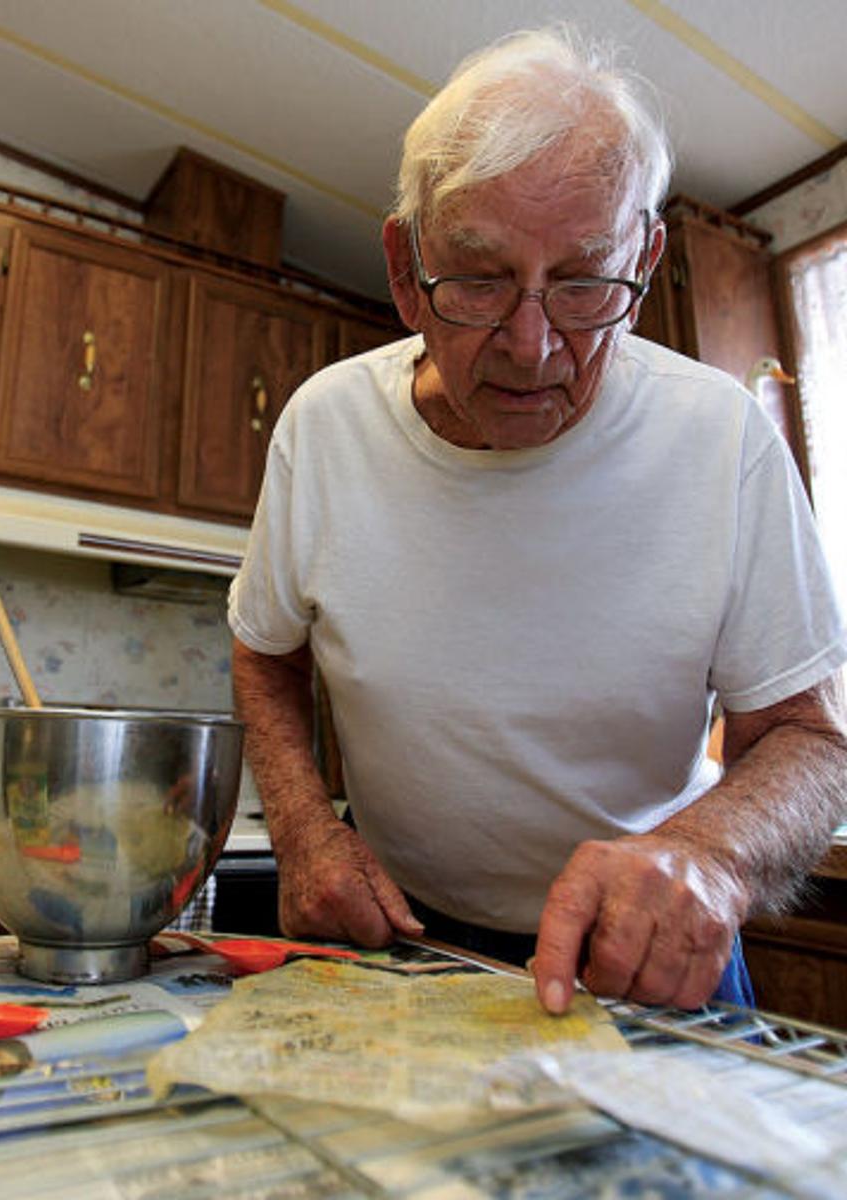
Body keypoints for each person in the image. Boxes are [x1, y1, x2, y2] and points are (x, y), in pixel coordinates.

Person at [228, 27, 847, 1016]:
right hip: (406, 941)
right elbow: (265, 652)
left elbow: (813, 742)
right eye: (476, 278)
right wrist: (304, 825)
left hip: (645, 955)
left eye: (583, 282)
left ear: (643, 259)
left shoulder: (722, 438)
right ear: (404, 268)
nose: (530, 345)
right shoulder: (321, 428)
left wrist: (709, 855)